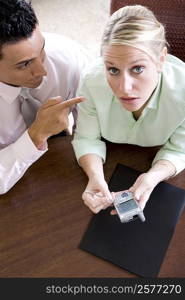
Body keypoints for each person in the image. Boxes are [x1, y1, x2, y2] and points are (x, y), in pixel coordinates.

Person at [72, 5, 185, 214]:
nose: (124, 88)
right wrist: (95, 177)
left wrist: (152, 177)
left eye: (138, 69)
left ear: (161, 60)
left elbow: (179, 149)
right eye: (113, 69)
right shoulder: (91, 81)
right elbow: (86, 138)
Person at [0, 0, 87, 194]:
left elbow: (92, 127)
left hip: (60, 163)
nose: (43, 70)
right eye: (24, 64)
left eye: (42, 51)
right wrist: (36, 135)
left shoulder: (69, 57)